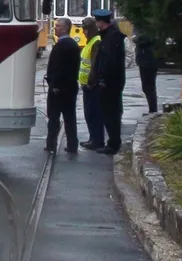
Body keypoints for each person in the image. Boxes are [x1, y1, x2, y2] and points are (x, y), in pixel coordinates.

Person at [91, 8, 128, 154]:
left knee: (110, 113)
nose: (96, 23)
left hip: (110, 83)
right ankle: (113, 142)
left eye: (97, 21)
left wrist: (102, 79)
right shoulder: (112, 36)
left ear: (101, 22)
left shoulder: (110, 38)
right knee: (111, 112)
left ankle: (113, 144)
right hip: (114, 81)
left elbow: (109, 61)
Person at [44, 18, 80, 153]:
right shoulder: (71, 44)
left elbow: (60, 68)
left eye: (58, 26)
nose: (55, 28)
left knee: (53, 117)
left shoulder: (63, 46)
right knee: (70, 117)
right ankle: (72, 145)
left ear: (65, 28)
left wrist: (55, 85)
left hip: (59, 89)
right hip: (70, 87)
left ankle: (51, 144)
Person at [78, 16, 105, 150]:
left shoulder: (96, 42)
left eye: (85, 29)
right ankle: (92, 138)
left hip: (91, 86)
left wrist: (90, 82)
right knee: (89, 114)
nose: (83, 32)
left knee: (94, 114)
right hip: (86, 85)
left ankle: (96, 140)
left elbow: (94, 65)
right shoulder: (90, 41)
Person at [134, 33, 158, 113]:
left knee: (148, 86)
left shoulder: (147, 28)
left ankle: (153, 109)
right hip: (145, 60)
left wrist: (135, 39)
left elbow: (142, 39)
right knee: (148, 87)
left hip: (147, 60)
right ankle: (152, 109)